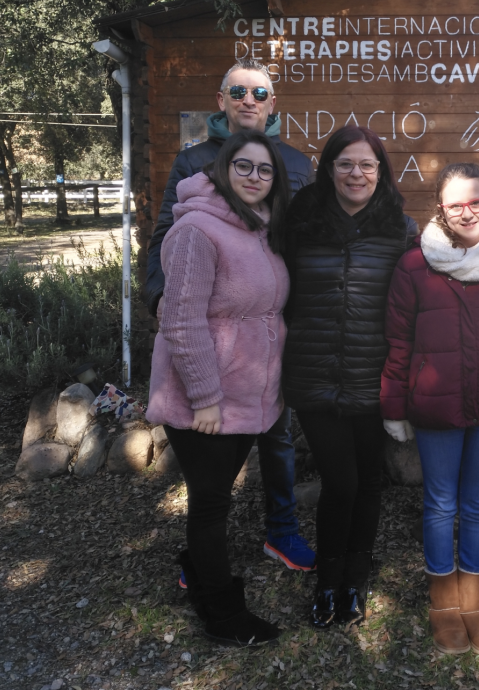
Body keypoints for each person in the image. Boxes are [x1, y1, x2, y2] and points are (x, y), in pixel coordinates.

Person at [146, 59, 316, 573]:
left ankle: (281, 530)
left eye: (259, 92)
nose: (248, 99)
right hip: (217, 338)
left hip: (273, 331)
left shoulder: (295, 163)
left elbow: (308, 238)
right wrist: (166, 304)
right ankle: (204, 557)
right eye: (237, 90)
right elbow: (166, 234)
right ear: (221, 100)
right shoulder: (194, 160)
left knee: (277, 436)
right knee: (213, 462)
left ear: (272, 103)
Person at [146, 129, 291, 646]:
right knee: (210, 505)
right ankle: (225, 616)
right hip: (204, 398)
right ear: (223, 170)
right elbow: (181, 320)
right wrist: (205, 398)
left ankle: (196, 569)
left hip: (247, 392)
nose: (254, 176)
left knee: (216, 496)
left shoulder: (261, 226)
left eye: (265, 169)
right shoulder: (196, 231)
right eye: (243, 166)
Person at [380, 163, 479, 655]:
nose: (467, 212)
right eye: (455, 204)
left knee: (478, 505)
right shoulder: (414, 265)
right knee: (440, 504)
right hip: (434, 404)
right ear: (441, 209)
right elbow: (398, 341)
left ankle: (474, 604)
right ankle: (443, 604)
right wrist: (393, 406)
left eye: (476, 201)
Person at [282, 126, 418, 629]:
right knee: (340, 482)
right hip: (314, 372)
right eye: (345, 163)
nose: (355, 173)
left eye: (366, 164)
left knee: (369, 483)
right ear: (329, 169)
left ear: (380, 172)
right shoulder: (302, 222)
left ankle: (356, 576)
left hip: (373, 375)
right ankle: (328, 578)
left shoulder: (399, 228)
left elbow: (416, 300)